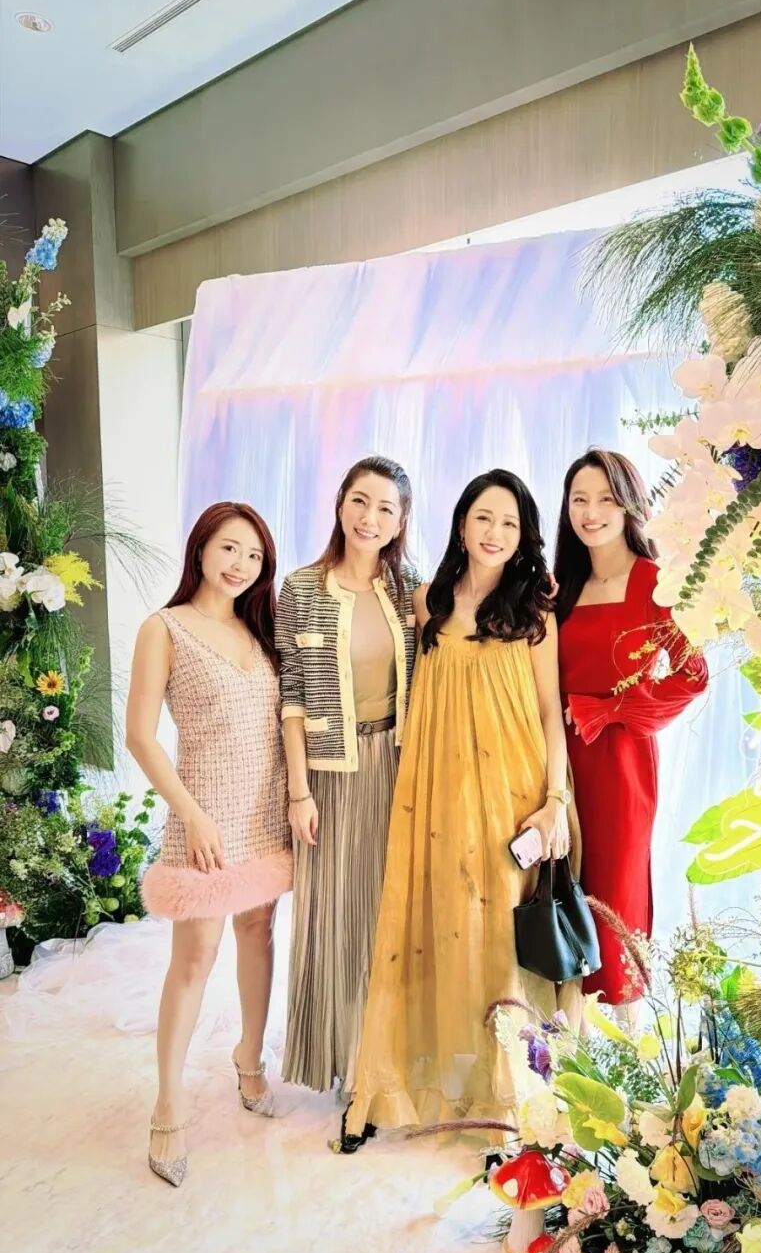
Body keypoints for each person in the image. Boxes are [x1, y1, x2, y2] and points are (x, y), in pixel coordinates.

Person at [340, 468, 577, 1150]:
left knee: (499, 931)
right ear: (461, 524)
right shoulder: (427, 602)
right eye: (483, 517)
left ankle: (509, 1096)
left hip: (512, 789)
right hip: (437, 786)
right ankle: (398, 1079)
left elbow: (547, 714)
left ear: (523, 533)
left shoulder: (536, 609)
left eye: (508, 521)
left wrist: (554, 801)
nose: (494, 532)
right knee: (437, 918)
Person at [130, 502, 292, 1187]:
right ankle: (168, 1102)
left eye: (253, 556)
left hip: (267, 814)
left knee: (259, 933)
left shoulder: (262, 631)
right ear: (201, 549)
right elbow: (140, 735)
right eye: (229, 549)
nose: (240, 565)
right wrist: (191, 815)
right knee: (194, 960)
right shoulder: (164, 628)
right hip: (205, 818)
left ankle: (249, 1059)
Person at [276, 457, 417, 1095]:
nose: (370, 518)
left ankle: (385, 1062)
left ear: (400, 521)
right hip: (330, 779)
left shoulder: (409, 585)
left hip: (398, 766)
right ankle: (342, 1061)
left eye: (386, 508)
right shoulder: (301, 588)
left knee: (391, 917)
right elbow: (293, 698)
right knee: (332, 917)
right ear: (340, 505)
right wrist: (299, 791)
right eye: (360, 502)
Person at [554, 449, 707, 1022]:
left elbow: (694, 676)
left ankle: (626, 1026)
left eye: (606, 499)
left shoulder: (654, 581)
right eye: (579, 500)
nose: (591, 513)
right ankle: (568, 1028)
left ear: (628, 505)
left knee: (614, 886)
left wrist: (610, 710)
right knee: (563, 883)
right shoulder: (560, 584)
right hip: (557, 760)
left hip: (619, 762)